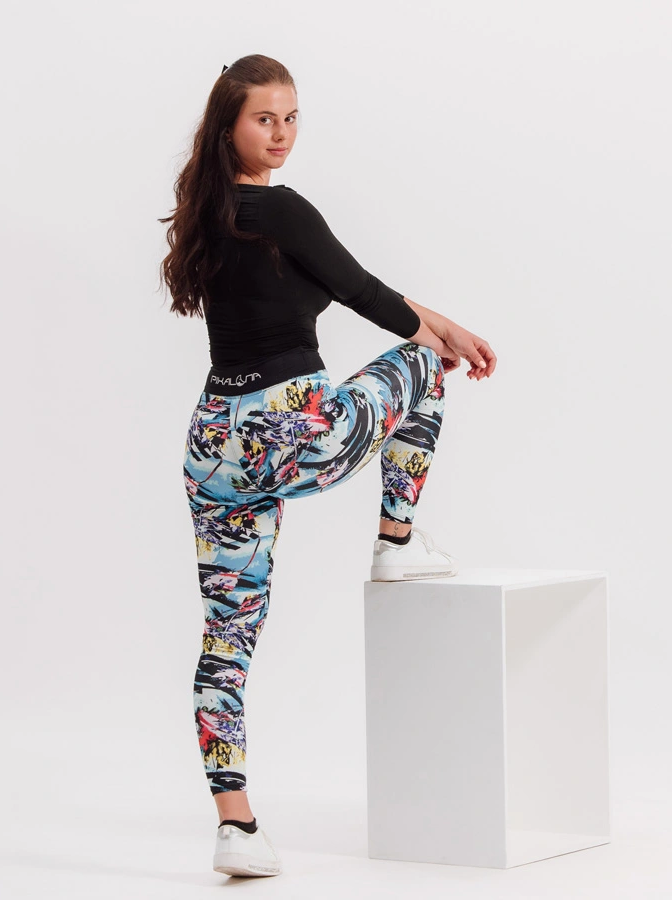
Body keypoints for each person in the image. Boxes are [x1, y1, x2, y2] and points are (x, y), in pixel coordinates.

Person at [158, 54, 497, 878]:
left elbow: (353, 288)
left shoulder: (210, 213)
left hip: (214, 447)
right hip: (292, 430)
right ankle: (396, 538)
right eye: (263, 119)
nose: (281, 134)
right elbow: (368, 293)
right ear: (229, 126)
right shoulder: (280, 209)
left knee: (227, 636)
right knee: (422, 368)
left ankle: (236, 827)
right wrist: (447, 337)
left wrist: (437, 322)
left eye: (291, 118)